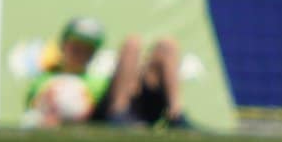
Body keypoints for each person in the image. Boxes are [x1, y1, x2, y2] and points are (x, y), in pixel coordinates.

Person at [24, 16, 189, 130]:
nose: (81, 52)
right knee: (132, 44)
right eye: (76, 47)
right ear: (63, 45)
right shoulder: (47, 79)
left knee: (166, 46)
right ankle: (120, 112)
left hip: (134, 101)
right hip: (104, 113)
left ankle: (175, 114)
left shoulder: (99, 75)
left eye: (87, 49)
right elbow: (38, 110)